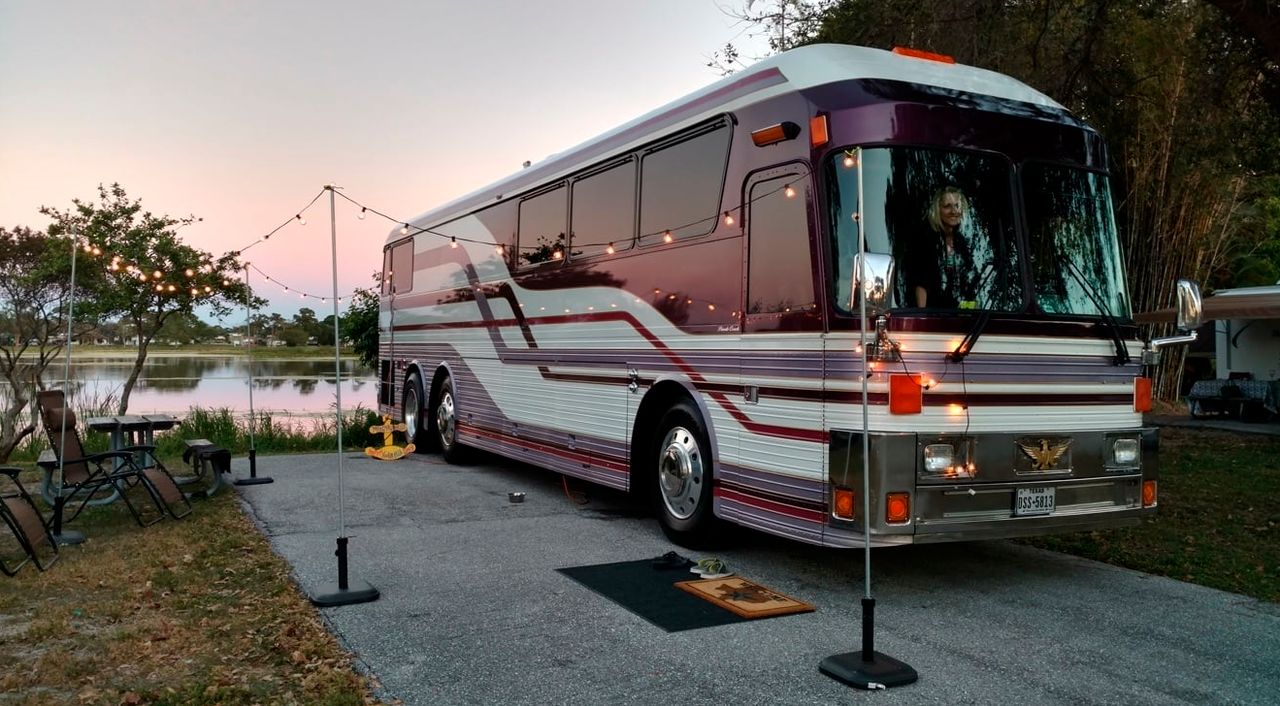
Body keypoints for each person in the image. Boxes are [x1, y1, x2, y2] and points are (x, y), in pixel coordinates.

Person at [906, 186, 976, 308]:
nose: (954, 211)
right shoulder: (925, 239)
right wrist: (922, 317)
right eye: (947, 206)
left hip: (958, 314)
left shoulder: (963, 242)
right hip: (932, 315)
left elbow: (970, 280)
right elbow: (921, 282)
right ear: (937, 210)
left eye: (957, 205)